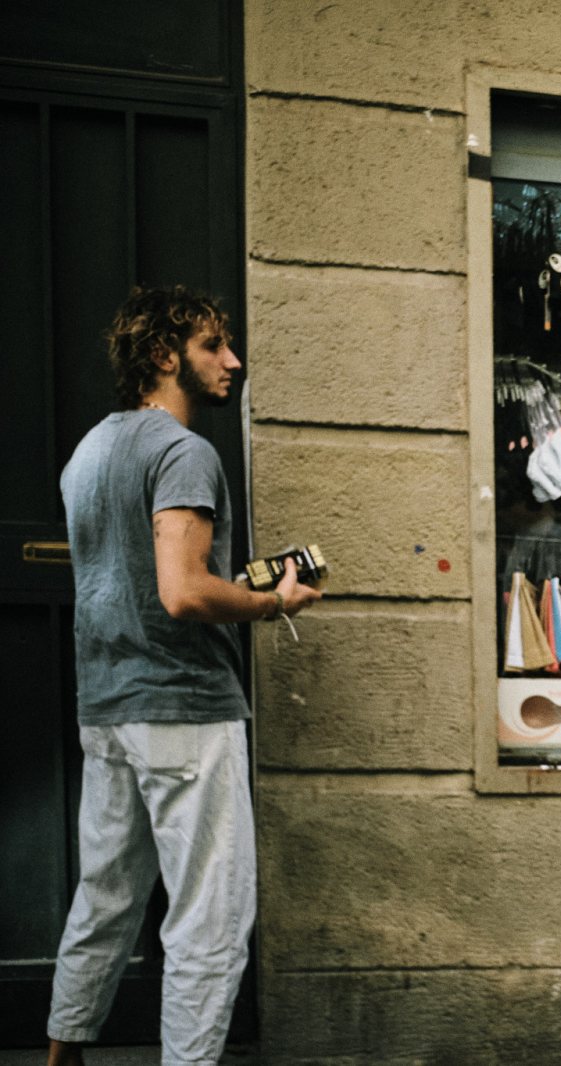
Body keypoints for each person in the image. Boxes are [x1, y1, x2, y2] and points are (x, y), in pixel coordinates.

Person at [47, 286, 321, 1066]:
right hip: (184, 711)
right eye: (213, 346)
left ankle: (60, 1058)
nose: (232, 360)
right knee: (209, 916)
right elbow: (184, 590)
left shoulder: (89, 453)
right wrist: (275, 599)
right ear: (165, 356)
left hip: (106, 707)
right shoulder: (183, 451)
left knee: (104, 900)